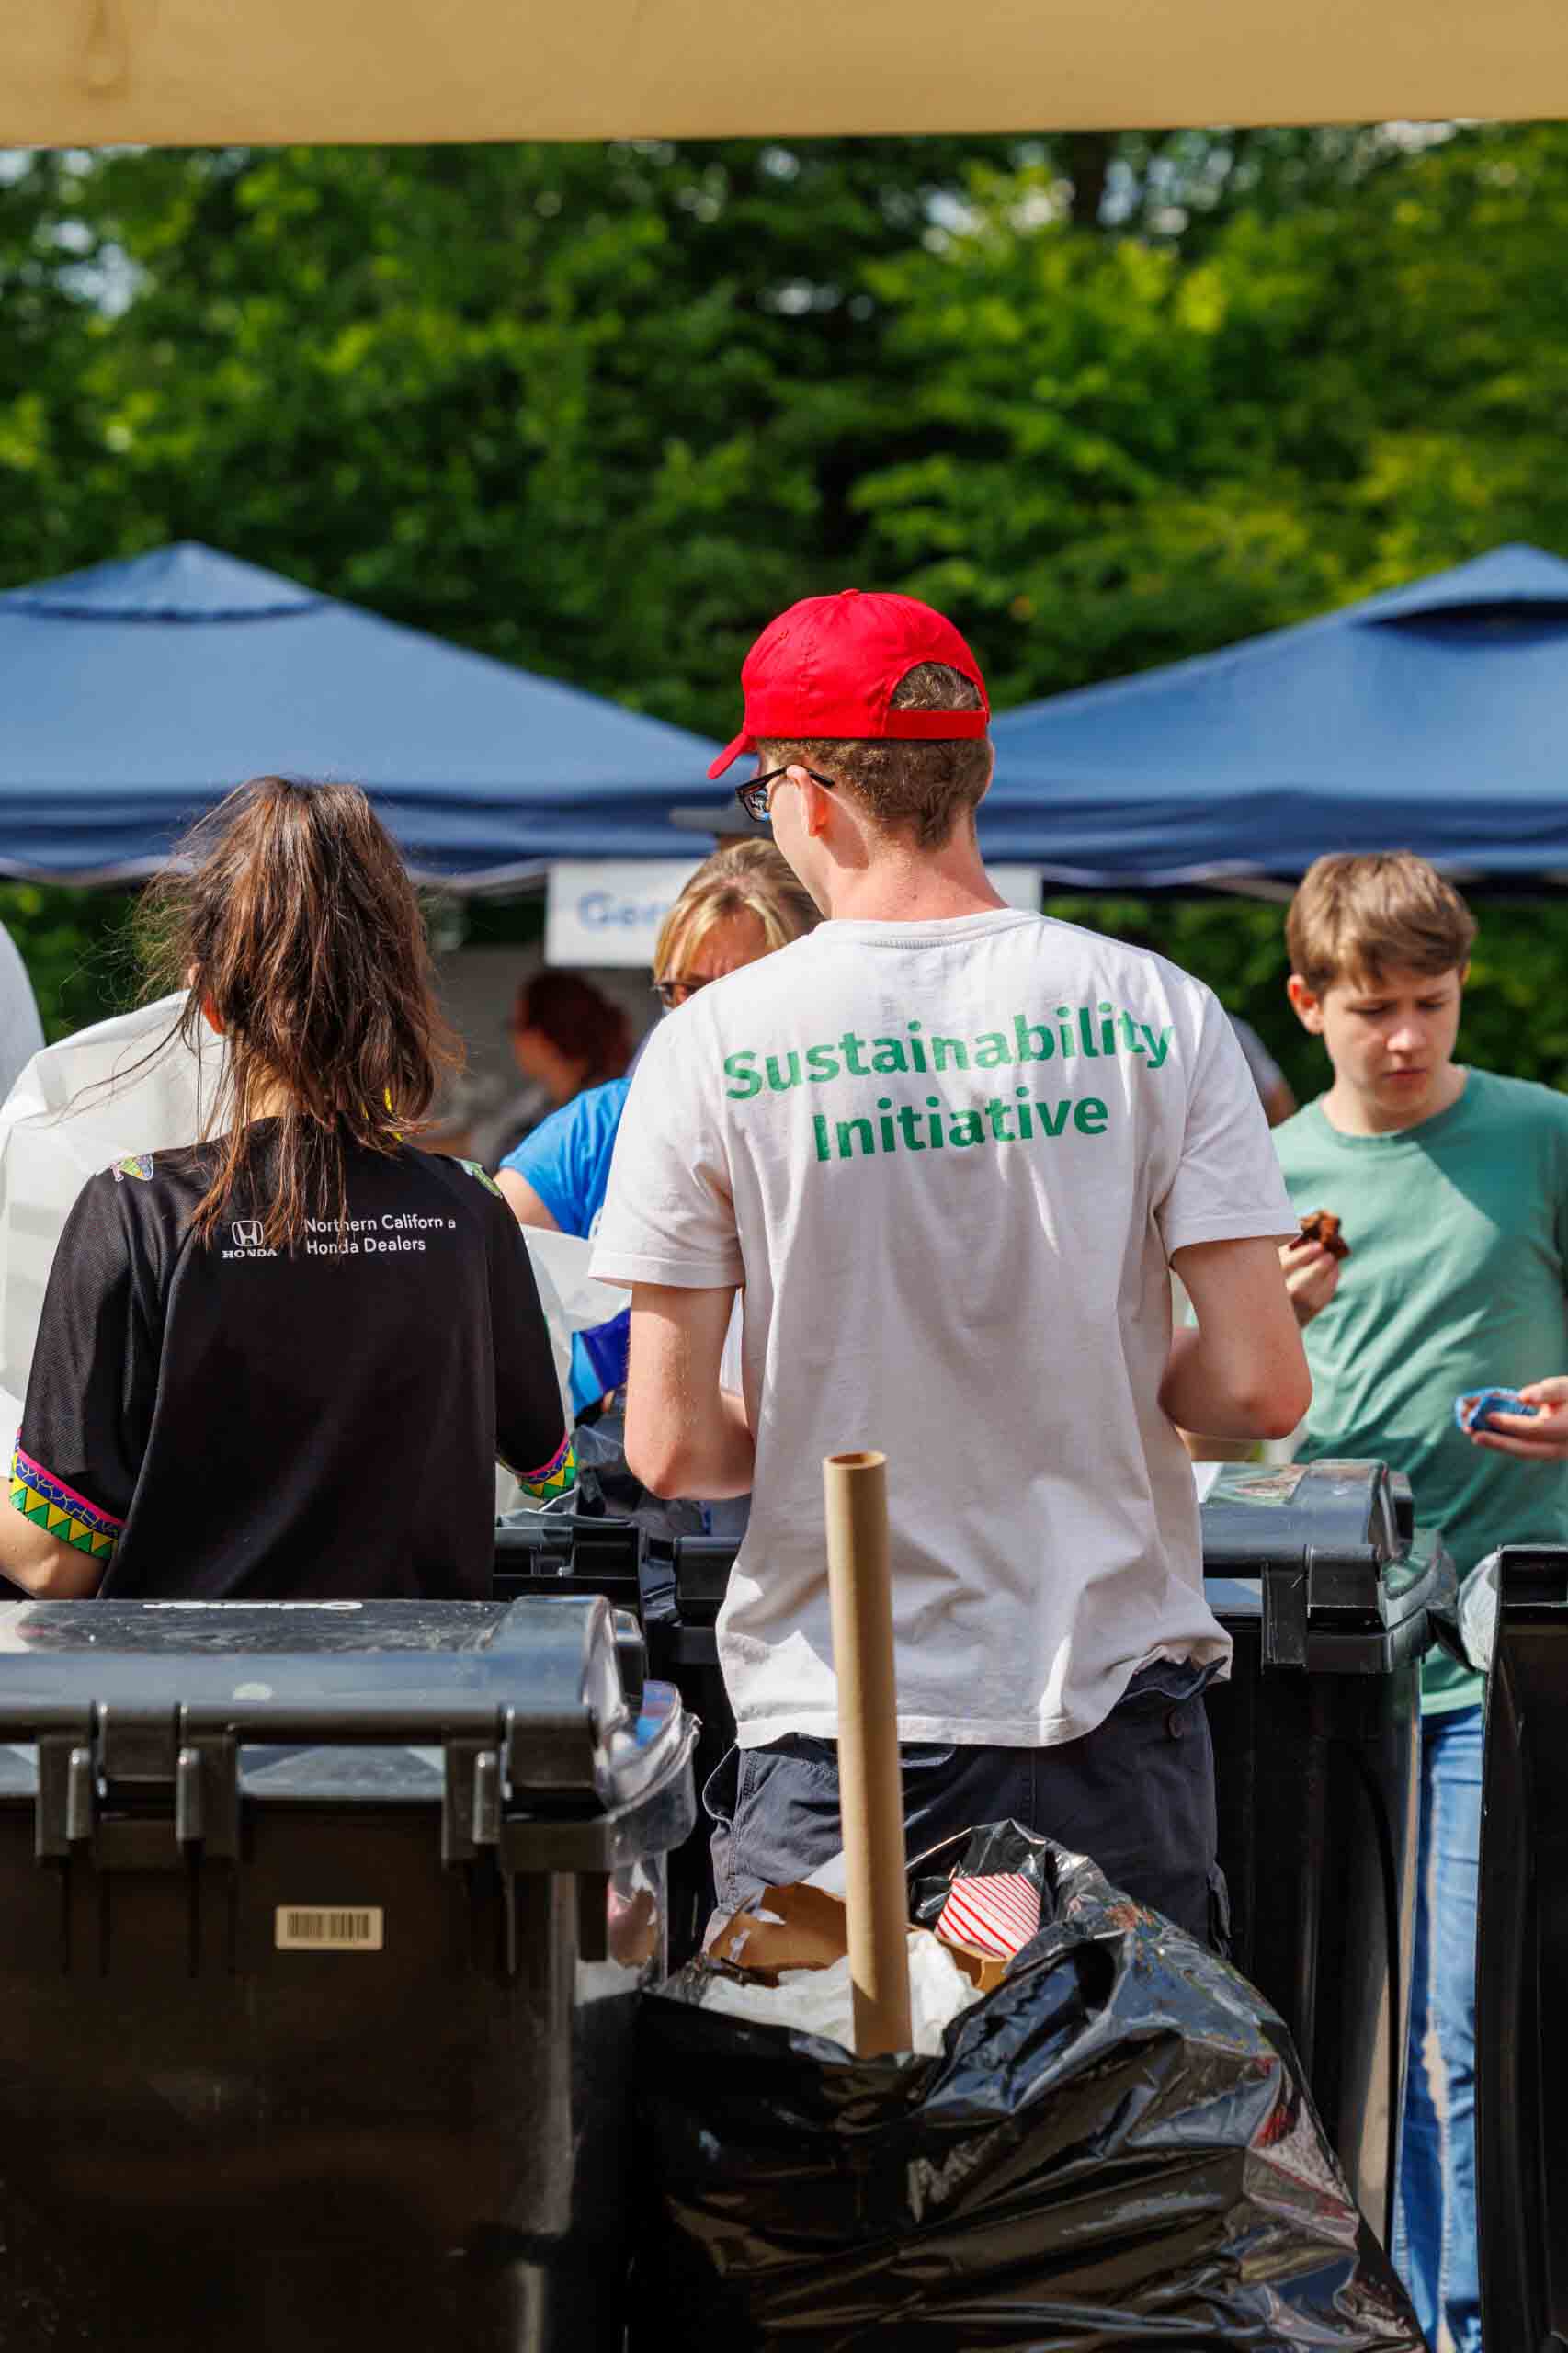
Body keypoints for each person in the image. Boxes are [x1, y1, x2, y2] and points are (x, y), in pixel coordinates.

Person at [589, 587, 1309, 1944]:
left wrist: (838, 1412)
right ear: (970, 776)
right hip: (1106, 1712)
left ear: (807, 795)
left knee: (815, 2143)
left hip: (841, 1721)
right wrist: (1084, 1377)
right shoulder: (1154, 1008)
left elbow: (673, 1448)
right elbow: (1257, 1392)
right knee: (1114, 2144)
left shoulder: (711, 1043)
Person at [0, 776, 572, 1602]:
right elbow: (545, 1475)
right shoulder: (469, 1210)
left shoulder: (136, 1212)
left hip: (192, 1716)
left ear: (212, 1005)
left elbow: (58, 1562)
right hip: (426, 1714)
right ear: (398, 991)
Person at [1273, 850, 1568, 2353]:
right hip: (1314, 1657)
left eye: (1431, 1005)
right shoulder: (1266, 1177)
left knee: (1458, 2035)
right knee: (1315, 2032)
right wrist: (1262, 1336)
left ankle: (1459, 2327)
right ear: (1306, 1002)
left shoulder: (1539, 1136)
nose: (1403, 1038)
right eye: (1372, 1008)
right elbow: (1194, 1426)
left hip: (1497, 1648)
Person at [495, 840, 819, 1415]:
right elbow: (473, 1256)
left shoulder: (843, 1130)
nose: (706, 1015)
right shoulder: (607, 1123)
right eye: (688, 989)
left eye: (744, 987)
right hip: (627, 1485)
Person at [472, 972, 633, 1170]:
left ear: (542, 1036)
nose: (513, 1039)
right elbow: (486, 1139)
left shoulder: (594, 1114)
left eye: (516, 1026)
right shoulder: (543, 1101)